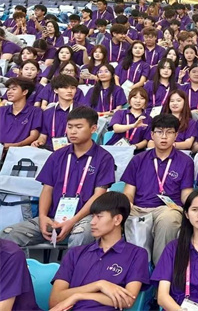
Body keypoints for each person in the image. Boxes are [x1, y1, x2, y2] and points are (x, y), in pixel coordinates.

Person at [1, 106, 115, 247]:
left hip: (85, 218)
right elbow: (47, 189)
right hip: (53, 217)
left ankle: (73, 263)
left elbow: (98, 195)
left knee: (81, 235)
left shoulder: (104, 158)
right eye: (70, 127)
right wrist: (43, 217)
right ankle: (21, 262)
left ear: (93, 129)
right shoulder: (57, 155)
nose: (72, 131)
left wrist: (72, 221)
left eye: (79, 127)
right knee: (9, 233)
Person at [48, 192, 150, 311]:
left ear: (117, 219)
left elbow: (127, 300)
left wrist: (78, 296)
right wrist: (99, 285)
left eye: (99, 216)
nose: (92, 222)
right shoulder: (75, 253)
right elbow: (54, 301)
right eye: (93, 216)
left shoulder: (137, 254)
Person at [122, 114, 195, 265]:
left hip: (168, 208)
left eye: (169, 132)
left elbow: (186, 194)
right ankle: (131, 267)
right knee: (113, 214)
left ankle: (161, 269)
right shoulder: (138, 159)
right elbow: (129, 191)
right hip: (138, 208)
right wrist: (127, 203)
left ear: (176, 135)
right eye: (159, 132)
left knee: (169, 219)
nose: (164, 136)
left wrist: (193, 205)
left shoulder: (186, 161)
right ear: (152, 135)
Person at [32, 75, 81, 151]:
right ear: (55, 90)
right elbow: (43, 135)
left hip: (73, 150)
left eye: (73, 88)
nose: (69, 91)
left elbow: (87, 136)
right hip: (49, 151)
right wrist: (39, 142)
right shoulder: (47, 112)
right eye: (65, 87)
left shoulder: (82, 111)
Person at [0, 77, 42, 148]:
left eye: (14, 89)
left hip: (20, 150)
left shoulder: (35, 112)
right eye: (8, 89)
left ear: (24, 92)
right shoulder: (2, 110)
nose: (9, 92)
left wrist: (15, 145)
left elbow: (34, 135)